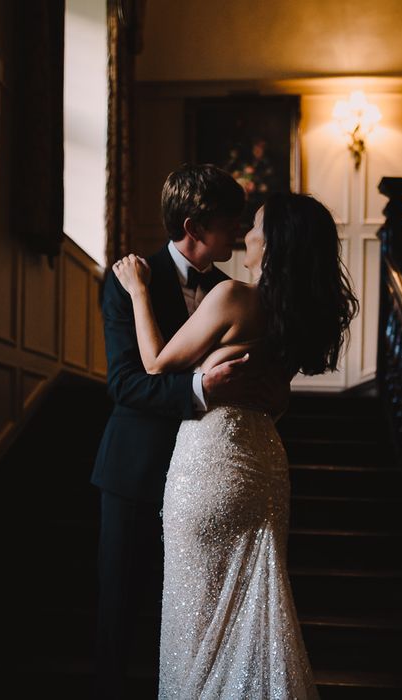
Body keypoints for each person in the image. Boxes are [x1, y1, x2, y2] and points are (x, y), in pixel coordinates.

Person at [112, 191, 359, 698]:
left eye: (258, 225)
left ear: (273, 243)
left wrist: (138, 290)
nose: (247, 232)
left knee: (197, 630)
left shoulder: (234, 298)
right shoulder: (298, 317)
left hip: (211, 466)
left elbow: (156, 362)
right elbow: (276, 398)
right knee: (255, 617)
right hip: (264, 470)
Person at [90, 164, 289, 698]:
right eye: (231, 223)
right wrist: (203, 392)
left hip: (206, 476)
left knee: (188, 619)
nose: (242, 232)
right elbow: (126, 383)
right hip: (135, 471)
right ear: (194, 227)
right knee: (119, 611)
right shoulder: (131, 281)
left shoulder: (234, 293)